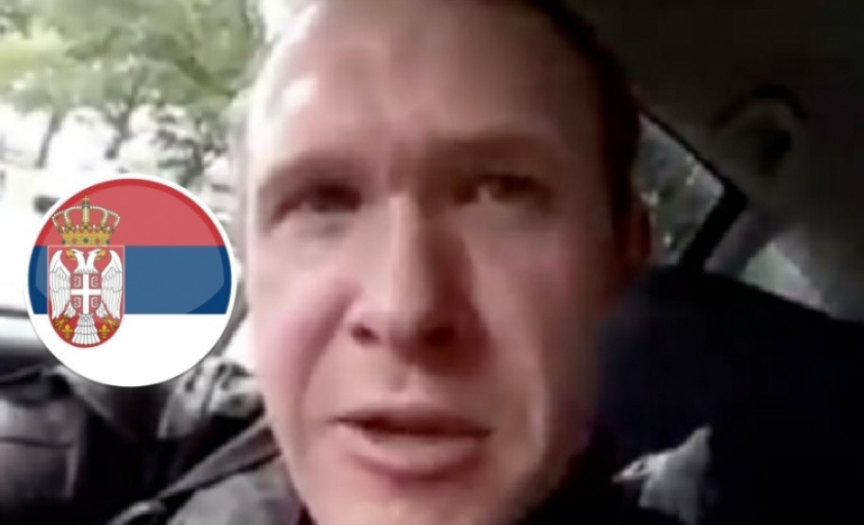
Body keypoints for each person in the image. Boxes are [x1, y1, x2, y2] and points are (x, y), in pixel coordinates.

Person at [123, 0, 660, 524]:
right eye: (322, 201)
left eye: (502, 191)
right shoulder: (179, 451)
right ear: (247, 256)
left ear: (624, 253)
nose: (404, 310)